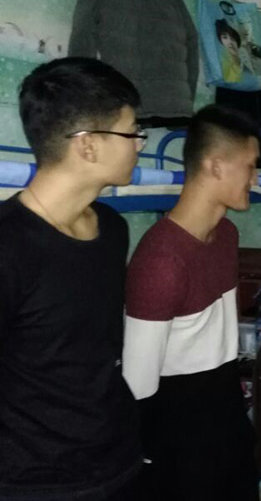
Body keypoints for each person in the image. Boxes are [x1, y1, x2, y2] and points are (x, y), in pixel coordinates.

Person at [0, 57, 144, 500]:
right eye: (132, 132)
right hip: (36, 482)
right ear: (88, 145)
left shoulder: (112, 228)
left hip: (117, 460)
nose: (139, 144)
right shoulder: (9, 246)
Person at [123, 105, 260, 501]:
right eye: (250, 166)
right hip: (180, 443)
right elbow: (137, 386)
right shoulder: (161, 260)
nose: (255, 178)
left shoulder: (227, 234)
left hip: (227, 419)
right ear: (215, 166)